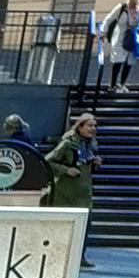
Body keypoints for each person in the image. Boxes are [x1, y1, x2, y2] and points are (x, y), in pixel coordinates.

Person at [44, 112, 99, 268]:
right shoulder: (68, 143)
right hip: (66, 193)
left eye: (95, 126)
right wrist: (66, 170)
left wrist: (96, 163)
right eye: (89, 125)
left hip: (84, 191)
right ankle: (56, 255)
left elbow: (86, 163)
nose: (93, 129)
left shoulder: (93, 143)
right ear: (80, 126)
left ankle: (80, 256)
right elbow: (48, 161)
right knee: (62, 226)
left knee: (85, 225)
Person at [97, 0, 139, 91]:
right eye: (133, 1)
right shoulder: (121, 8)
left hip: (133, 38)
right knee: (118, 60)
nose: (135, 4)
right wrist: (102, 33)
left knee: (129, 61)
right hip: (120, 36)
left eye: (137, 1)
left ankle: (122, 84)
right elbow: (109, 19)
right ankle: (112, 84)